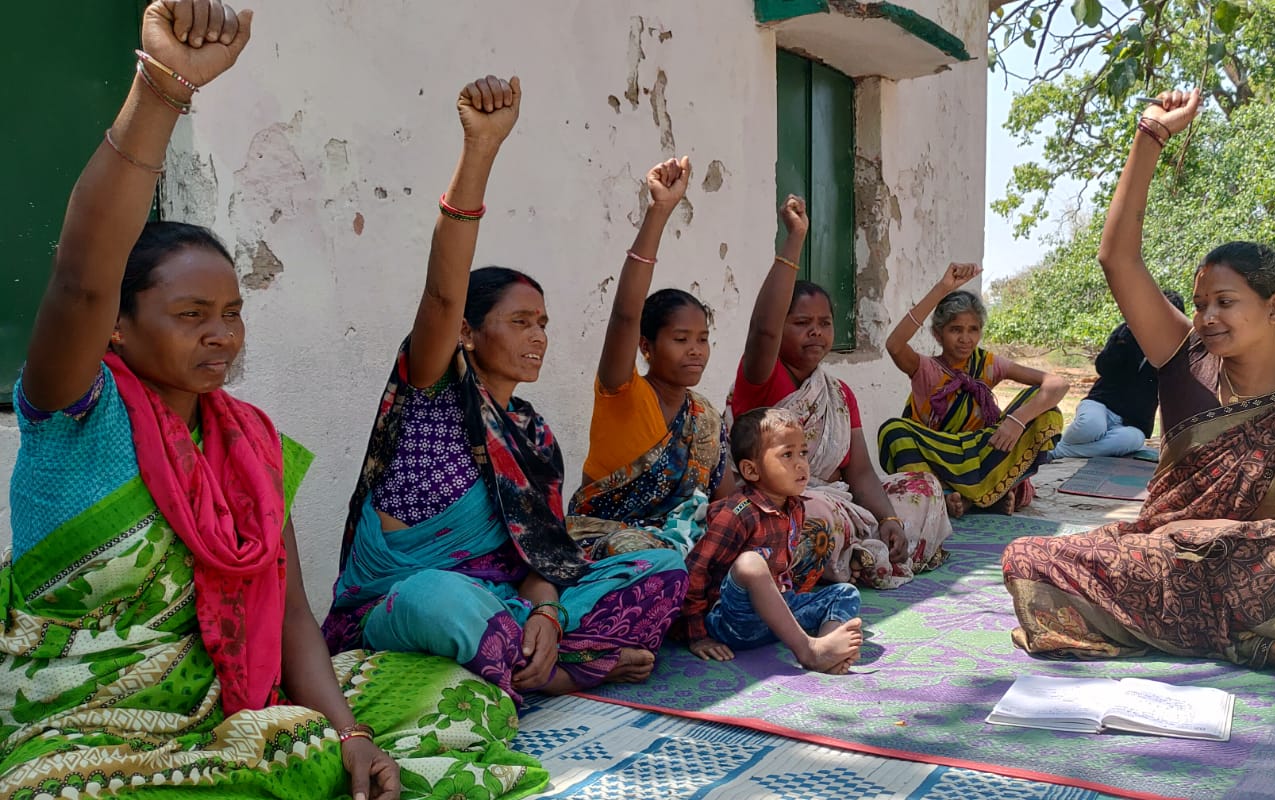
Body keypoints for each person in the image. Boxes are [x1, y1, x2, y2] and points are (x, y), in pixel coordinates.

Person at [1, 6, 543, 799]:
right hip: (88, 721)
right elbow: (83, 273)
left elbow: (292, 618)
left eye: (231, 314)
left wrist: (351, 734)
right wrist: (162, 90)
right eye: (191, 317)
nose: (221, 336)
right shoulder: (76, 415)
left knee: (452, 696)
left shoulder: (251, 445)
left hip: (232, 708)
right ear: (115, 328)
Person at [1002, 89, 1275, 678]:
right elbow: (1118, 259)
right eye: (1201, 303)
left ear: (1274, 307)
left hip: (1247, 565)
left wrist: (1229, 532)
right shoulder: (1182, 357)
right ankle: (1241, 642)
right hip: (1164, 556)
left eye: (1225, 302)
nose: (1208, 316)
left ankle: (1178, 630)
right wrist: (1151, 134)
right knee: (1029, 557)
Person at [321, 76, 687, 700]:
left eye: (542, 323)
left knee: (660, 564)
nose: (538, 337)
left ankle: (529, 655)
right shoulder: (434, 390)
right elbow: (442, 290)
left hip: (504, 604)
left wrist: (546, 612)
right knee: (439, 600)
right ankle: (564, 675)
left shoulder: (534, 435)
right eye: (519, 323)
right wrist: (481, 150)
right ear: (467, 331)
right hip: (400, 605)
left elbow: (542, 555)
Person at [725, 196, 952, 588]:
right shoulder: (761, 377)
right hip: (782, 506)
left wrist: (889, 519)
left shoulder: (839, 393)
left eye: (825, 323)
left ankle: (874, 547)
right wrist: (795, 238)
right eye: (801, 322)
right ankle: (854, 556)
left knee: (922, 486)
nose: (816, 331)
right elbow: (762, 329)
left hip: (839, 500)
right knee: (815, 514)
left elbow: (860, 471)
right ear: (781, 328)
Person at [566, 157, 732, 558]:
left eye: (702, 339)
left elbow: (724, 499)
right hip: (607, 535)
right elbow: (625, 314)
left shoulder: (704, 418)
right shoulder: (621, 391)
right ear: (646, 346)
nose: (695, 349)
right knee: (646, 552)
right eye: (680, 338)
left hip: (682, 537)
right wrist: (659, 212)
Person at [680, 408, 865, 674]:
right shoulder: (737, 513)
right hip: (732, 621)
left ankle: (827, 647)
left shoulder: (795, 507)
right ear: (751, 470)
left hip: (775, 617)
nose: (801, 463)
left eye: (802, 453)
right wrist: (697, 635)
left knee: (845, 592)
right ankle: (808, 651)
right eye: (787, 455)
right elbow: (696, 571)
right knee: (751, 564)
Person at [877, 263, 1068, 518]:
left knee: (1045, 408)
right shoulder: (927, 369)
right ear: (938, 334)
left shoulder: (988, 365)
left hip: (980, 457)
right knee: (893, 432)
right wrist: (942, 289)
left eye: (973, 330)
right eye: (955, 330)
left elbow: (1058, 384)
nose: (965, 339)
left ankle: (971, 499)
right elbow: (895, 345)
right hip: (941, 458)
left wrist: (1016, 420)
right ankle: (962, 497)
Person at [1046, 290, 1186, 461]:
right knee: (1090, 427)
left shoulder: (1175, 351)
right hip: (1101, 403)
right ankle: (1075, 447)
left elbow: (1170, 397)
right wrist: (1126, 338)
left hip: (1134, 421)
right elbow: (1103, 367)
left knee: (1130, 440)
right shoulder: (1126, 331)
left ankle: (1059, 451)